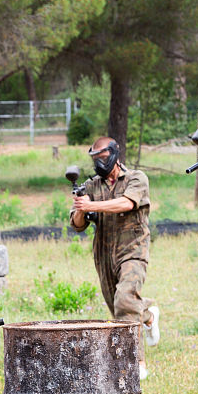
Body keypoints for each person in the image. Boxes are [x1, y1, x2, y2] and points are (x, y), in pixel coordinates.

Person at [71, 136, 159, 380]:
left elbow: (126, 203)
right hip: (104, 254)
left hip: (133, 250)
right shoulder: (91, 187)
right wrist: (81, 207)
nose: (99, 163)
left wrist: (93, 206)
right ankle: (148, 315)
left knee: (124, 300)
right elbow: (78, 225)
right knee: (119, 311)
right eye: (95, 159)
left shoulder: (136, 178)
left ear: (114, 155)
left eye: (103, 158)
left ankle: (136, 363)